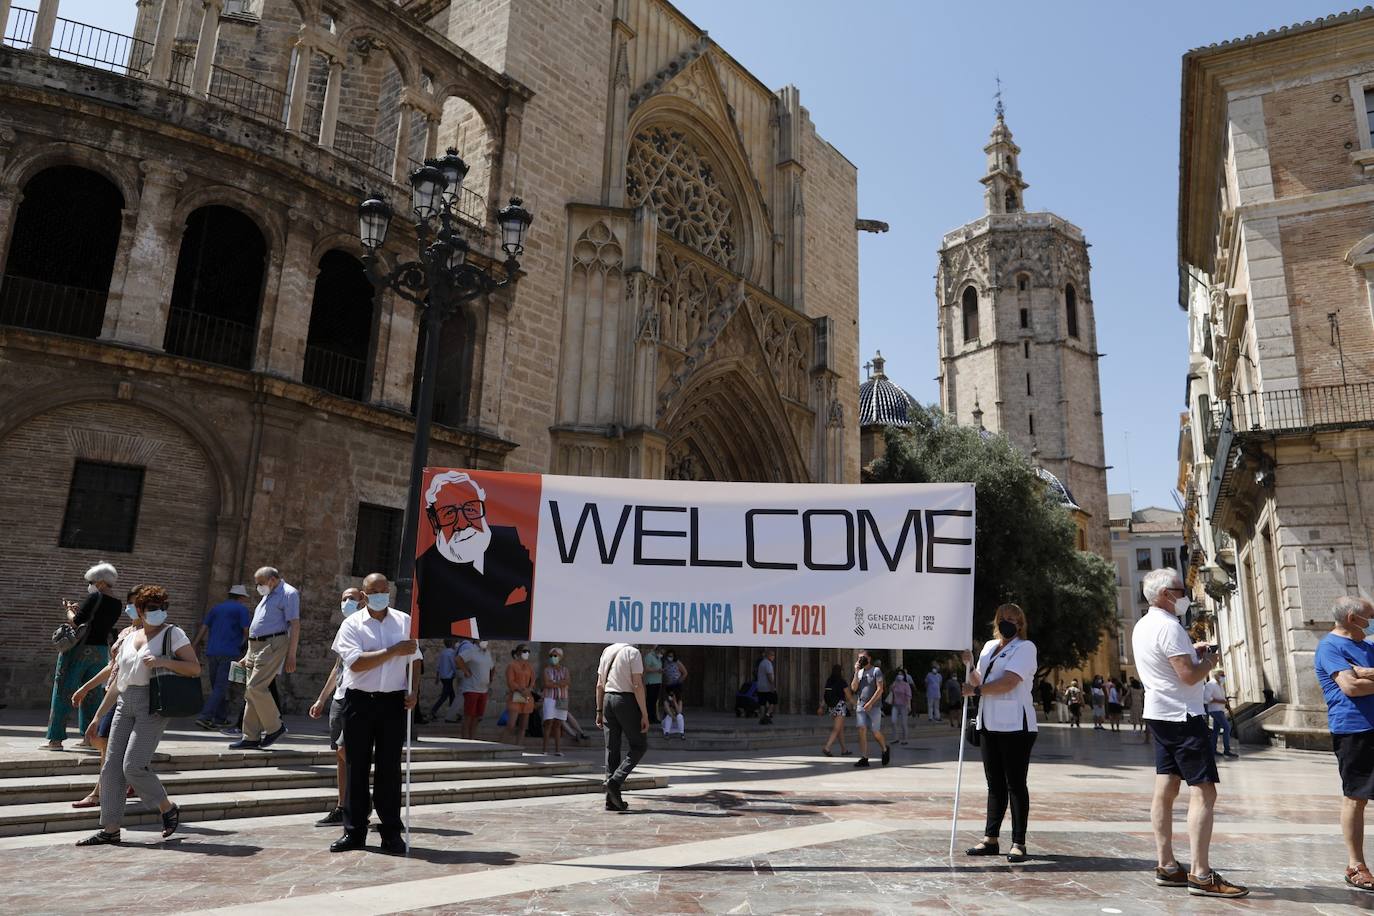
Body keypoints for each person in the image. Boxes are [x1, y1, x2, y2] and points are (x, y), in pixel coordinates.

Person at [1133, 568, 1247, 898]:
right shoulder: (1169, 627)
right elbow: (1187, 676)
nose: (1187, 596)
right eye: (1181, 590)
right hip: (1183, 716)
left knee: (1165, 787)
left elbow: (1169, 666)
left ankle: (1166, 864)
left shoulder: (1143, 625)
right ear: (1166, 594)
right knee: (1204, 792)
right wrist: (1208, 661)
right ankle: (1201, 873)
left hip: (1159, 712)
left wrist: (1191, 653)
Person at [75, 585, 200, 846]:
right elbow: (119, 680)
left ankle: (167, 807)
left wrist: (164, 661)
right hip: (124, 702)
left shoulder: (173, 634)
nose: (159, 613)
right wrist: (97, 717)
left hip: (152, 704)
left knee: (132, 765)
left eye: (163, 608)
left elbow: (194, 668)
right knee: (110, 768)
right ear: (140, 611)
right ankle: (110, 828)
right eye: (153, 609)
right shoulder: (130, 637)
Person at [328, 573, 421, 854]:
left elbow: (416, 660)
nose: (381, 594)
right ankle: (354, 832)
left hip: (393, 702)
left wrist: (414, 690)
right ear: (364, 595)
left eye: (385, 590)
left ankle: (391, 832)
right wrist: (393, 651)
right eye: (374, 591)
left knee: (389, 768)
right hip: (359, 702)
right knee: (357, 767)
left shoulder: (404, 621)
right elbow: (355, 664)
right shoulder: (351, 624)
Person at [961, 603, 1039, 863]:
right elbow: (979, 680)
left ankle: (1019, 842)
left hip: (1016, 724)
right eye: (1002, 618)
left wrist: (977, 691)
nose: (1007, 622)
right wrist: (969, 666)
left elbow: (1008, 683)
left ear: (1020, 624)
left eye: (1013, 619)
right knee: (994, 784)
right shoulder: (988, 647)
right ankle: (990, 838)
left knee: (1015, 784)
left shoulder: (1025, 648)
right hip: (989, 723)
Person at [414, 471, 533, 640]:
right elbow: (435, 623)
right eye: (449, 513)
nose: (462, 523)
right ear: (434, 522)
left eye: (470, 509)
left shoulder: (510, 541)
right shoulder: (429, 568)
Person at [1314, 595, 1374, 891]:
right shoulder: (1330, 647)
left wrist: (1367, 673)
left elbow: (1361, 682)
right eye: (1369, 617)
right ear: (1352, 618)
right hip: (1354, 729)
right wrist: (1358, 677)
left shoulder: (1368, 645)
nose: (1372, 622)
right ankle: (1355, 865)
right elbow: (1350, 687)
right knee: (1356, 796)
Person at [70, 590, 143, 808]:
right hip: (111, 693)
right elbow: (112, 666)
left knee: (106, 746)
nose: (129, 608)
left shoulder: (148, 635)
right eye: (129, 604)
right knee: (102, 742)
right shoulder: (125, 632)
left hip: (128, 696)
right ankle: (129, 779)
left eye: (134, 604)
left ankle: (98, 793)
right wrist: (85, 687)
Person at [44, 563, 123, 750]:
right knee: (93, 694)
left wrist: (69, 610)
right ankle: (88, 739)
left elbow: (75, 622)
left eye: (92, 581)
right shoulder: (117, 603)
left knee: (64, 690)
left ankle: (55, 739)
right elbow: (98, 623)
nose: (90, 585)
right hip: (100, 651)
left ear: (101, 582)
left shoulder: (95, 596)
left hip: (79, 650)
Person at [309, 587, 367, 827]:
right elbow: (338, 667)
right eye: (343, 599)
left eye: (351, 599)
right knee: (340, 755)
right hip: (339, 698)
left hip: (358, 696)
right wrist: (322, 698)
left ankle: (360, 800)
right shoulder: (346, 627)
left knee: (347, 751)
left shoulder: (367, 626)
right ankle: (342, 806)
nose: (346, 603)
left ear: (363, 599)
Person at [230, 566, 299, 750]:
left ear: (272, 580)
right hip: (255, 646)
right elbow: (258, 625)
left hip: (272, 644)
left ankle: (275, 727)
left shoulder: (289, 593)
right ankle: (250, 736)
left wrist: (291, 655)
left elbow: (295, 624)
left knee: (255, 687)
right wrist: (247, 653)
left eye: (260, 583)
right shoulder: (268, 595)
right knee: (251, 691)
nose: (258, 587)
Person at [596, 642, 649, 811]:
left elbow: (599, 684)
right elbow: (637, 685)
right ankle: (615, 781)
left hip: (607, 700)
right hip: (625, 700)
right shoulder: (633, 652)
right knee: (639, 745)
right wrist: (645, 713)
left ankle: (610, 800)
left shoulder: (607, 650)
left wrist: (598, 710)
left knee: (612, 748)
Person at [192, 585, 251, 730]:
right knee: (221, 687)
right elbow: (246, 631)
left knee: (217, 687)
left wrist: (194, 645)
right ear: (241, 597)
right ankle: (205, 717)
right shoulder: (241, 609)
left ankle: (220, 718)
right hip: (230, 652)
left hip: (212, 652)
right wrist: (248, 648)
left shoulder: (216, 608)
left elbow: (204, 628)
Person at [850, 651, 890, 768]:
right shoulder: (860, 672)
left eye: (863, 657)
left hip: (874, 706)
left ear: (869, 658)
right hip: (861, 705)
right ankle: (864, 757)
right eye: (859, 658)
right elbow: (853, 688)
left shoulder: (876, 671)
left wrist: (871, 703)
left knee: (875, 732)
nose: (861, 660)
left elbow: (880, 689)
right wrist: (856, 671)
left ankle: (884, 748)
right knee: (861, 730)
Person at [458, 638, 494, 739]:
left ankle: (472, 738)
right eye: (482, 639)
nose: (485, 641)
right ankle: (465, 739)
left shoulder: (487, 653)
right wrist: (466, 671)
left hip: (483, 690)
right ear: (476, 641)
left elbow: (492, 666)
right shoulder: (471, 651)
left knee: (477, 717)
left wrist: (490, 679)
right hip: (471, 688)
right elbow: (458, 659)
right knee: (468, 715)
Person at [504, 643, 536, 742]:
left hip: (526, 696)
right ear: (518, 652)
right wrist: (520, 689)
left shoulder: (529, 666)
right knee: (511, 725)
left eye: (528, 651)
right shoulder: (512, 665)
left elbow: (533, 679)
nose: (527, 653)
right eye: (524, 651)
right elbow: (510, 681)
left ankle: (518, 747)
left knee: (523, 726)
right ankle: (500, 745)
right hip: (516, 696)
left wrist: (529, 689)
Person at [542, 647, 570, 755]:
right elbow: (546, 683)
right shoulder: (546, 670)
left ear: (560, 657)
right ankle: (545, 749)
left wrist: (554, 682)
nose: (553, 658)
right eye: (551, 656)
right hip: (550, 698)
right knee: (548, 722)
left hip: (562, 698)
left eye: (555, 656)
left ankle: (558, 750)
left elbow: (567, 681)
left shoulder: (565, 670)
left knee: (558, 724)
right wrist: (560, 683)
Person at [1204, 670, 1237, 759]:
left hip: (1220, 709)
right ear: (1216, 676)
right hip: (1215, 710)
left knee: (1216, 730)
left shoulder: (1220, 685)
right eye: (1221, 675)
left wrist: (1224, 703)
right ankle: (1227, 750)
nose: (1223, 677)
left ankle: (1213, 750)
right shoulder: (1210, 685)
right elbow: (1207, 698)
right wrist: (1220, 701)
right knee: (1227, 727)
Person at [820, 664, 851, 755]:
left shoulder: (829, 680)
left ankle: (844, 750)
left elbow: (825, 695)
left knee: (840, 729)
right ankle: (827, 747)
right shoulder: (842, 681)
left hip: (832, 707)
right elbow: (848, 695)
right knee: (836, 729)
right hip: (840, 706)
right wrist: (856, 704)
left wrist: (821, 706)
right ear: (840, 671)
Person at [430, 637, 460, 722]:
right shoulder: (452, 653)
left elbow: (438, 666)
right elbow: (453, 665)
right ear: (452, 643)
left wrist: (437, 677)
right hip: (448, 677)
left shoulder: (443, 652)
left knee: (451, 696)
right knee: (445, 696)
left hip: (443, 677)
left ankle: (452, 714)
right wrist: (457, 673)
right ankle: (434, 711)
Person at [890, 667, 913, 744]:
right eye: (898, 674)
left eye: (901, 674)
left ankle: (905, 739)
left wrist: (909, 705)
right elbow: (891, 691)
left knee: (903, 723)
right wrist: (893, 684)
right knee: (893, 721)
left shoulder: (906, 685)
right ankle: (895, 738)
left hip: (904, 705)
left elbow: (908, 695)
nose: (899, 676)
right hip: (895, 705)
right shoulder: (895, 684)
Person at [756, 649, 777, 725]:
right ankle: (767, 715)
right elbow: (769, 675)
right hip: (767, 687)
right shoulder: (768, 663)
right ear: (768, 655)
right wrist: (772, 686)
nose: (773, 657)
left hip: (760, 687)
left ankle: (761, 718)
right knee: (773, 701)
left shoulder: (761, 663)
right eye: (772, 655)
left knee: (762, 703)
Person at [643, 645, 663, 723]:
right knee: (650, 701)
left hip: (657, 681)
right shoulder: (649, 656)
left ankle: (654, 717)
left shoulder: (658, 657)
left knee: (654, 701)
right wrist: (657, 670)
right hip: (651, 682)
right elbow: (646, 668)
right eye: (660, 651)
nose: (661, 652)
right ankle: (649, 718)